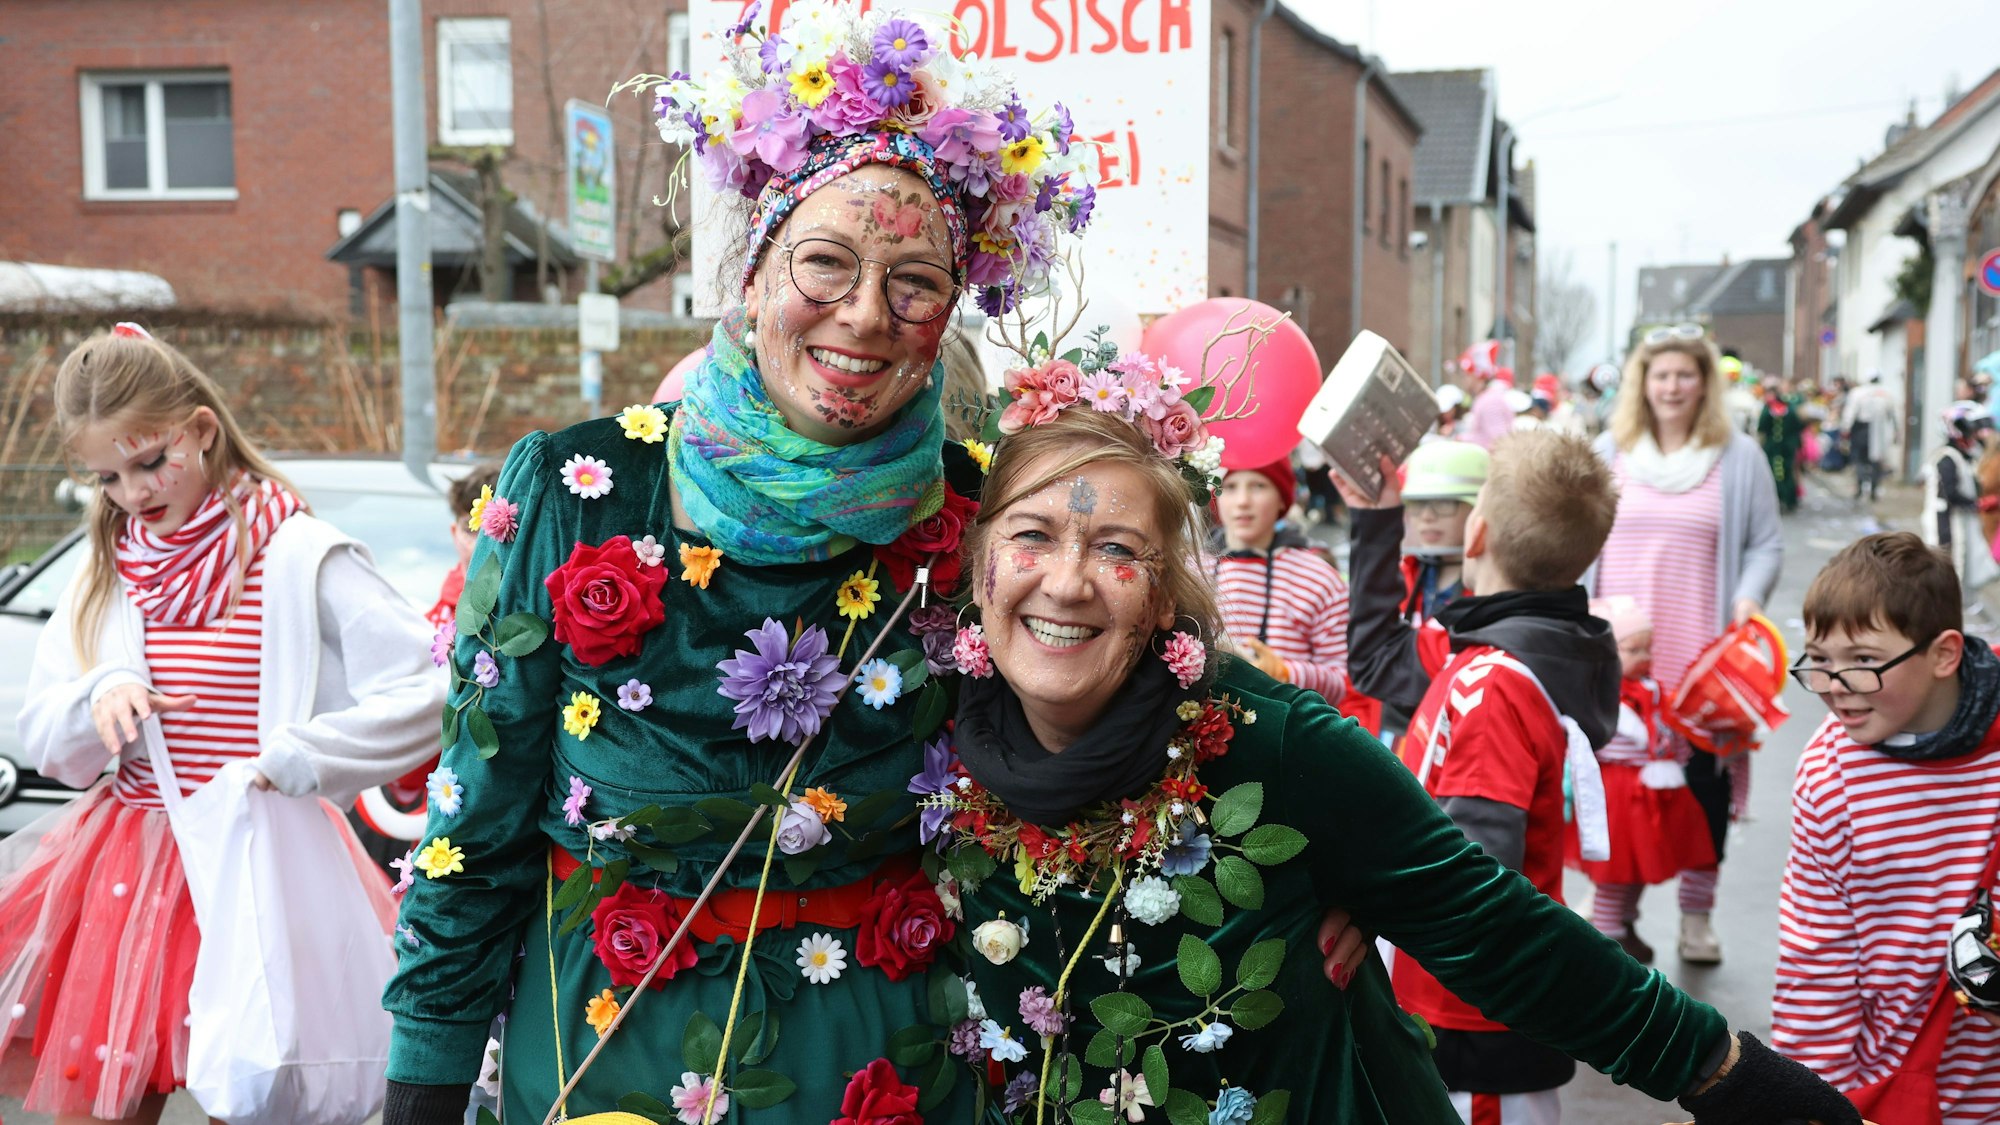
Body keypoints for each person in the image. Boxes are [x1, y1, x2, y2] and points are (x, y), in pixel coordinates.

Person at [378, 7, 1095, 1122]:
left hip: (881, 1054)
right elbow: (475, 819)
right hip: (602, 1041)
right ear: (754, 275)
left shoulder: (987, 511)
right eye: (825, 262)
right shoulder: (577, 487)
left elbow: (1131, 711)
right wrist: (420, 1083)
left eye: (913, 281)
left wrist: (1324, 862)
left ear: (948, 312)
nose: (863, 313)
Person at [936, 387, 1862, 1125]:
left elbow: (1494, 923)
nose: (1066, 581)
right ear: (977, 558)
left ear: (1169, 591)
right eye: (1032, 535)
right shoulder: (927, 722)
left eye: (1116, 547)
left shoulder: (1272, 740)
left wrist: (1723, 1073)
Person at [4, 325, 443, 1123]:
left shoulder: (301, 553)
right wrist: (97, 691)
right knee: (102, 1107)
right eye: (107, 475)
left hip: (262, 865)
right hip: (129, 871)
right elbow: (49, 741)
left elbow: (429, 692)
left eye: (149, 461)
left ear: (202, 430)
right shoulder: (107, 572)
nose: (133, 493)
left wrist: (308, 754)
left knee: (259, 1102)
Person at [1342, 430, 1626, 1122]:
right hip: (1471, 1012)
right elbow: (1380, 660)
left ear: (1478, 533)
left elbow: (1469, 882)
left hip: (1473, 1030)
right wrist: (1378, 518)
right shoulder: (1500, 641)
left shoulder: (1495, 682)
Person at [1775, 532, 2000, 1118]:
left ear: (1944, 654)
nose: (1835, 686)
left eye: (1865, 662)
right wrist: (1818, 1106)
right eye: (1820, 661)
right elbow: (1815, 966)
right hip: (1896, 1089)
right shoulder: (1832, 779)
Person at [1590, 327, 1782, 964]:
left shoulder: (1739, 457)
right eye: (1660, 375)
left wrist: (1748, 598)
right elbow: (1580, 542)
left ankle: (1697, 920)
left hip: (1704, 667)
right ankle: (1614, 915)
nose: (1672, 387)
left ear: (1706, 383)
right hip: (1624, 666)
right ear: (1640, 383)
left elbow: (1764, 545)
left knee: (1703, 797)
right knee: (1624, 797)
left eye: (1684, 375)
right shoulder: (1609, 453)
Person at [1574, 596, 1717, 964]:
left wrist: (1679, 750)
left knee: (1637, 869)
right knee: (1614, 872)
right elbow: (1590, 742)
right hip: (1618, 794)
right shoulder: (1599, 694)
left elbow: (1667, 730)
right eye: (1632, 649)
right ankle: (1608, 940)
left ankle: (1625, 924)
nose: (1644, 657)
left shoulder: (1651, 689)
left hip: (1652, 792)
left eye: (1647, 649)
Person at [1208, 459, 1352, 704]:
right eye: (1230, 487)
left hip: (1289, 732)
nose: (1243, 501)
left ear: (1283, 499)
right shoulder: (1190, 570)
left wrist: (1284, 673)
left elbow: (1342, 682)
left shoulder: (1319, 579)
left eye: (1258, 486)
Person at [1922, 400, 1995, 591]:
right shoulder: (1947, 457)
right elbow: (1950, 493)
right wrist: (1977, 503)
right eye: (1974, 430)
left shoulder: (1964, 456)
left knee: (1959, 569)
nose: (1978, 436)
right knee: (1945, 568)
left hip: (1958, 521)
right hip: (1944, 523)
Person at [426, 462, 504, 631]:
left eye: (498, 527)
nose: (482, 543)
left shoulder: (536, 607)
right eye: (471, 529)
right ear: (454, 533)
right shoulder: (434, 625)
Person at [1843, 370, 1899, 503]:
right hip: (1880, 429)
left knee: (1860, 459)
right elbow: (1895, 415)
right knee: (1876, 461)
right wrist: (1897, 431)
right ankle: (1873, 488)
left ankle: (1861, 487)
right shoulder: (1887, 393)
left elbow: (1850, 412)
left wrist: (1845, 429)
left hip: (1862, 429)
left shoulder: (1858, 393)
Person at [1758, 379, 1805, 513]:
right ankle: (1787, 500)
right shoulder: (1789, 408)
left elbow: (1762, 426)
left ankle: (1782, 499)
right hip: (1785, 447)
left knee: (1777, 473)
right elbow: (1798, 426)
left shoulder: (1768, 409)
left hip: (1776, 447)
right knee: (1784, 472)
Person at [1465, 369, 1518, 449]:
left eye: (1467, 375)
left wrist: (1465, 439)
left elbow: (1500, 440)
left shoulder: (1490, 401)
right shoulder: (1487, 398)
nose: (1465, 379)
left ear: (1476, 376)